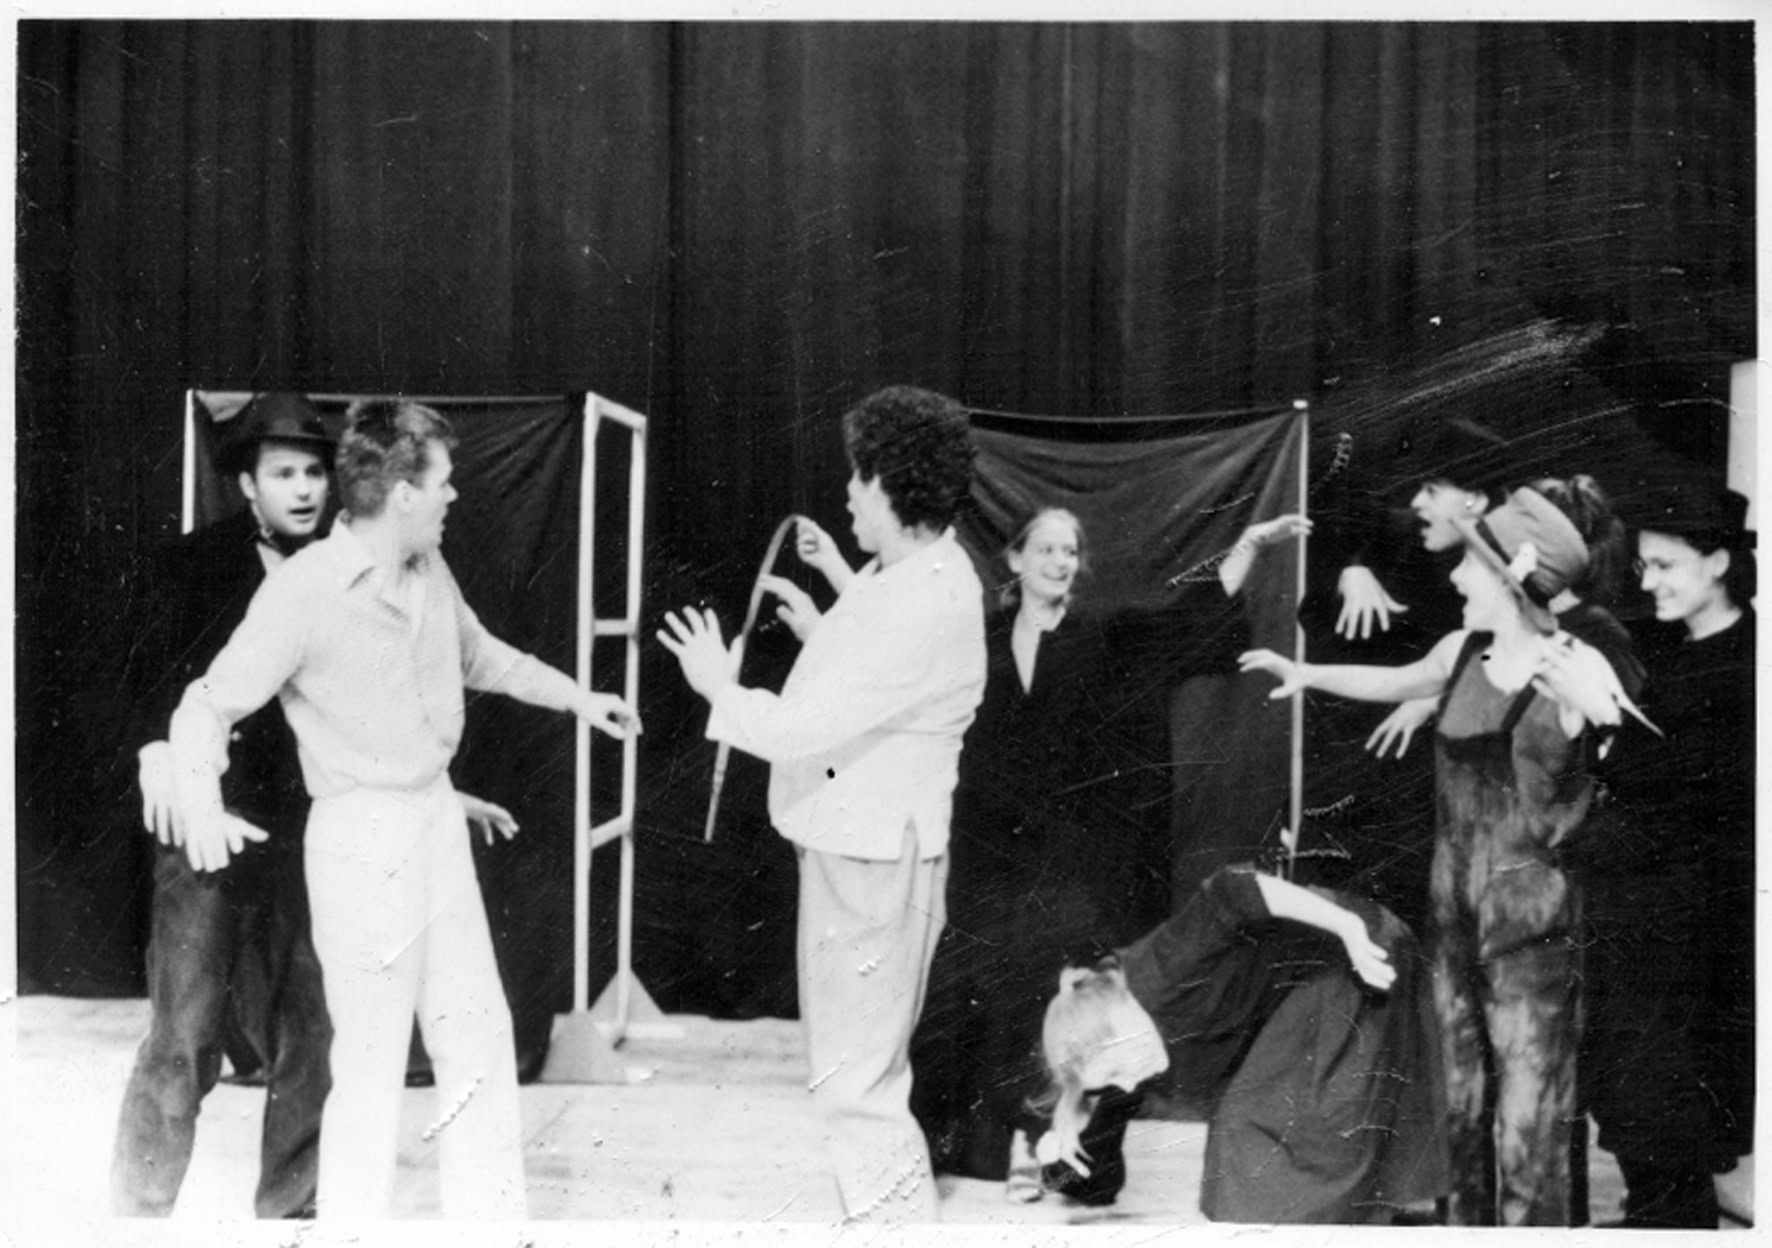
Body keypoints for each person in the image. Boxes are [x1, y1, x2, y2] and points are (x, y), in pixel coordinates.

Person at [167, 398, 638, 1219]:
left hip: (434, 822)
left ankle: (491, 1227)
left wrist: (577, 697)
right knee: (372, 1059)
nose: (454, 495)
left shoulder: (430, 568)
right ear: (402, 492)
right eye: (444, 481)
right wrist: (199, 801)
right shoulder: (305, 591)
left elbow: (480, 654)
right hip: (360, 841)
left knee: (478, 1036)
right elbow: (206, 705)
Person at [1240, 487, 1631, 1226]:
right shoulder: (1460, 653)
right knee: (1458, 1117)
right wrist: (1308, 674)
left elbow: (1636, 757)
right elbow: (1395, 681)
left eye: (1471, 567)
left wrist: (1601, 713)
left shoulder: (1577, 665)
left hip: (1534, 940)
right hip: (1451, 926)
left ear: (1510, 582)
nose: (1454, 578)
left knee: (1529, 1130)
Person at [902, 503, 1307, 1192]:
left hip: (1075, 864)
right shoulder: (980, 639)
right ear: (1016, 559)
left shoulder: (1104, 637)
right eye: (1047, 549)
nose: (1060, 562)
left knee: (1079, 1005)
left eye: (1070, 551)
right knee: (970, 992)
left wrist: (1245, 546)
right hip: (994, 856)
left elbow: (1185, 622)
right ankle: (968, 1150)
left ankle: (1071, 1161)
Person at [657, 385, 986, 1223]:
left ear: (891, 484)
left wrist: (716, 686)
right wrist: (832, 591)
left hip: (872, 866)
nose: (847, 491)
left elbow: (803, 728)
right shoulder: (921, 571)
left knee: (857, 1089)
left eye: (857, 476)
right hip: (871, 856)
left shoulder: (921, 601)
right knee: (862, 1078)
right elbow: (878, 652)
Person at [109, 393, 336, 1218]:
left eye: (314, 472)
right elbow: (141, 679)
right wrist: (156, 752)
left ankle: (291, 1216)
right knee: (184, 1037)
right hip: (210, 827)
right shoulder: (191, 565)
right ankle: (136, 1216)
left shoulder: (344, 571)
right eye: (284, 473)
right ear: (246, 484)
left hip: (312, 828)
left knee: (312, 1033)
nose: (303, 489)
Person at [1034, 862, 1446, 1222]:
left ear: (1116, 1024)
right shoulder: (1125, 1040)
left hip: (1354, 949)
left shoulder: (1158, 971)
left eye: (1115, 1071)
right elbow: (1099, 1177)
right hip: (1309, 981)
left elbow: (1233, 887)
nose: (1125, 1084)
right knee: (1239, 1146)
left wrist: (1346, 926)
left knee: (1256, 1125)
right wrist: (1066, 1117)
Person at [1572, 484, 1756, 1227]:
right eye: (1644, 567)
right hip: (1639, 926)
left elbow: (1699, 800)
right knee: (1635, 1109)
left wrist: (1608, 724)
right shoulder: (1671, 650)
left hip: (1694, 938)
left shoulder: (1749, 663)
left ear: (1718, 561)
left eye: (1666, 566)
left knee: (1668, 1112)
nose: (1649, 583)